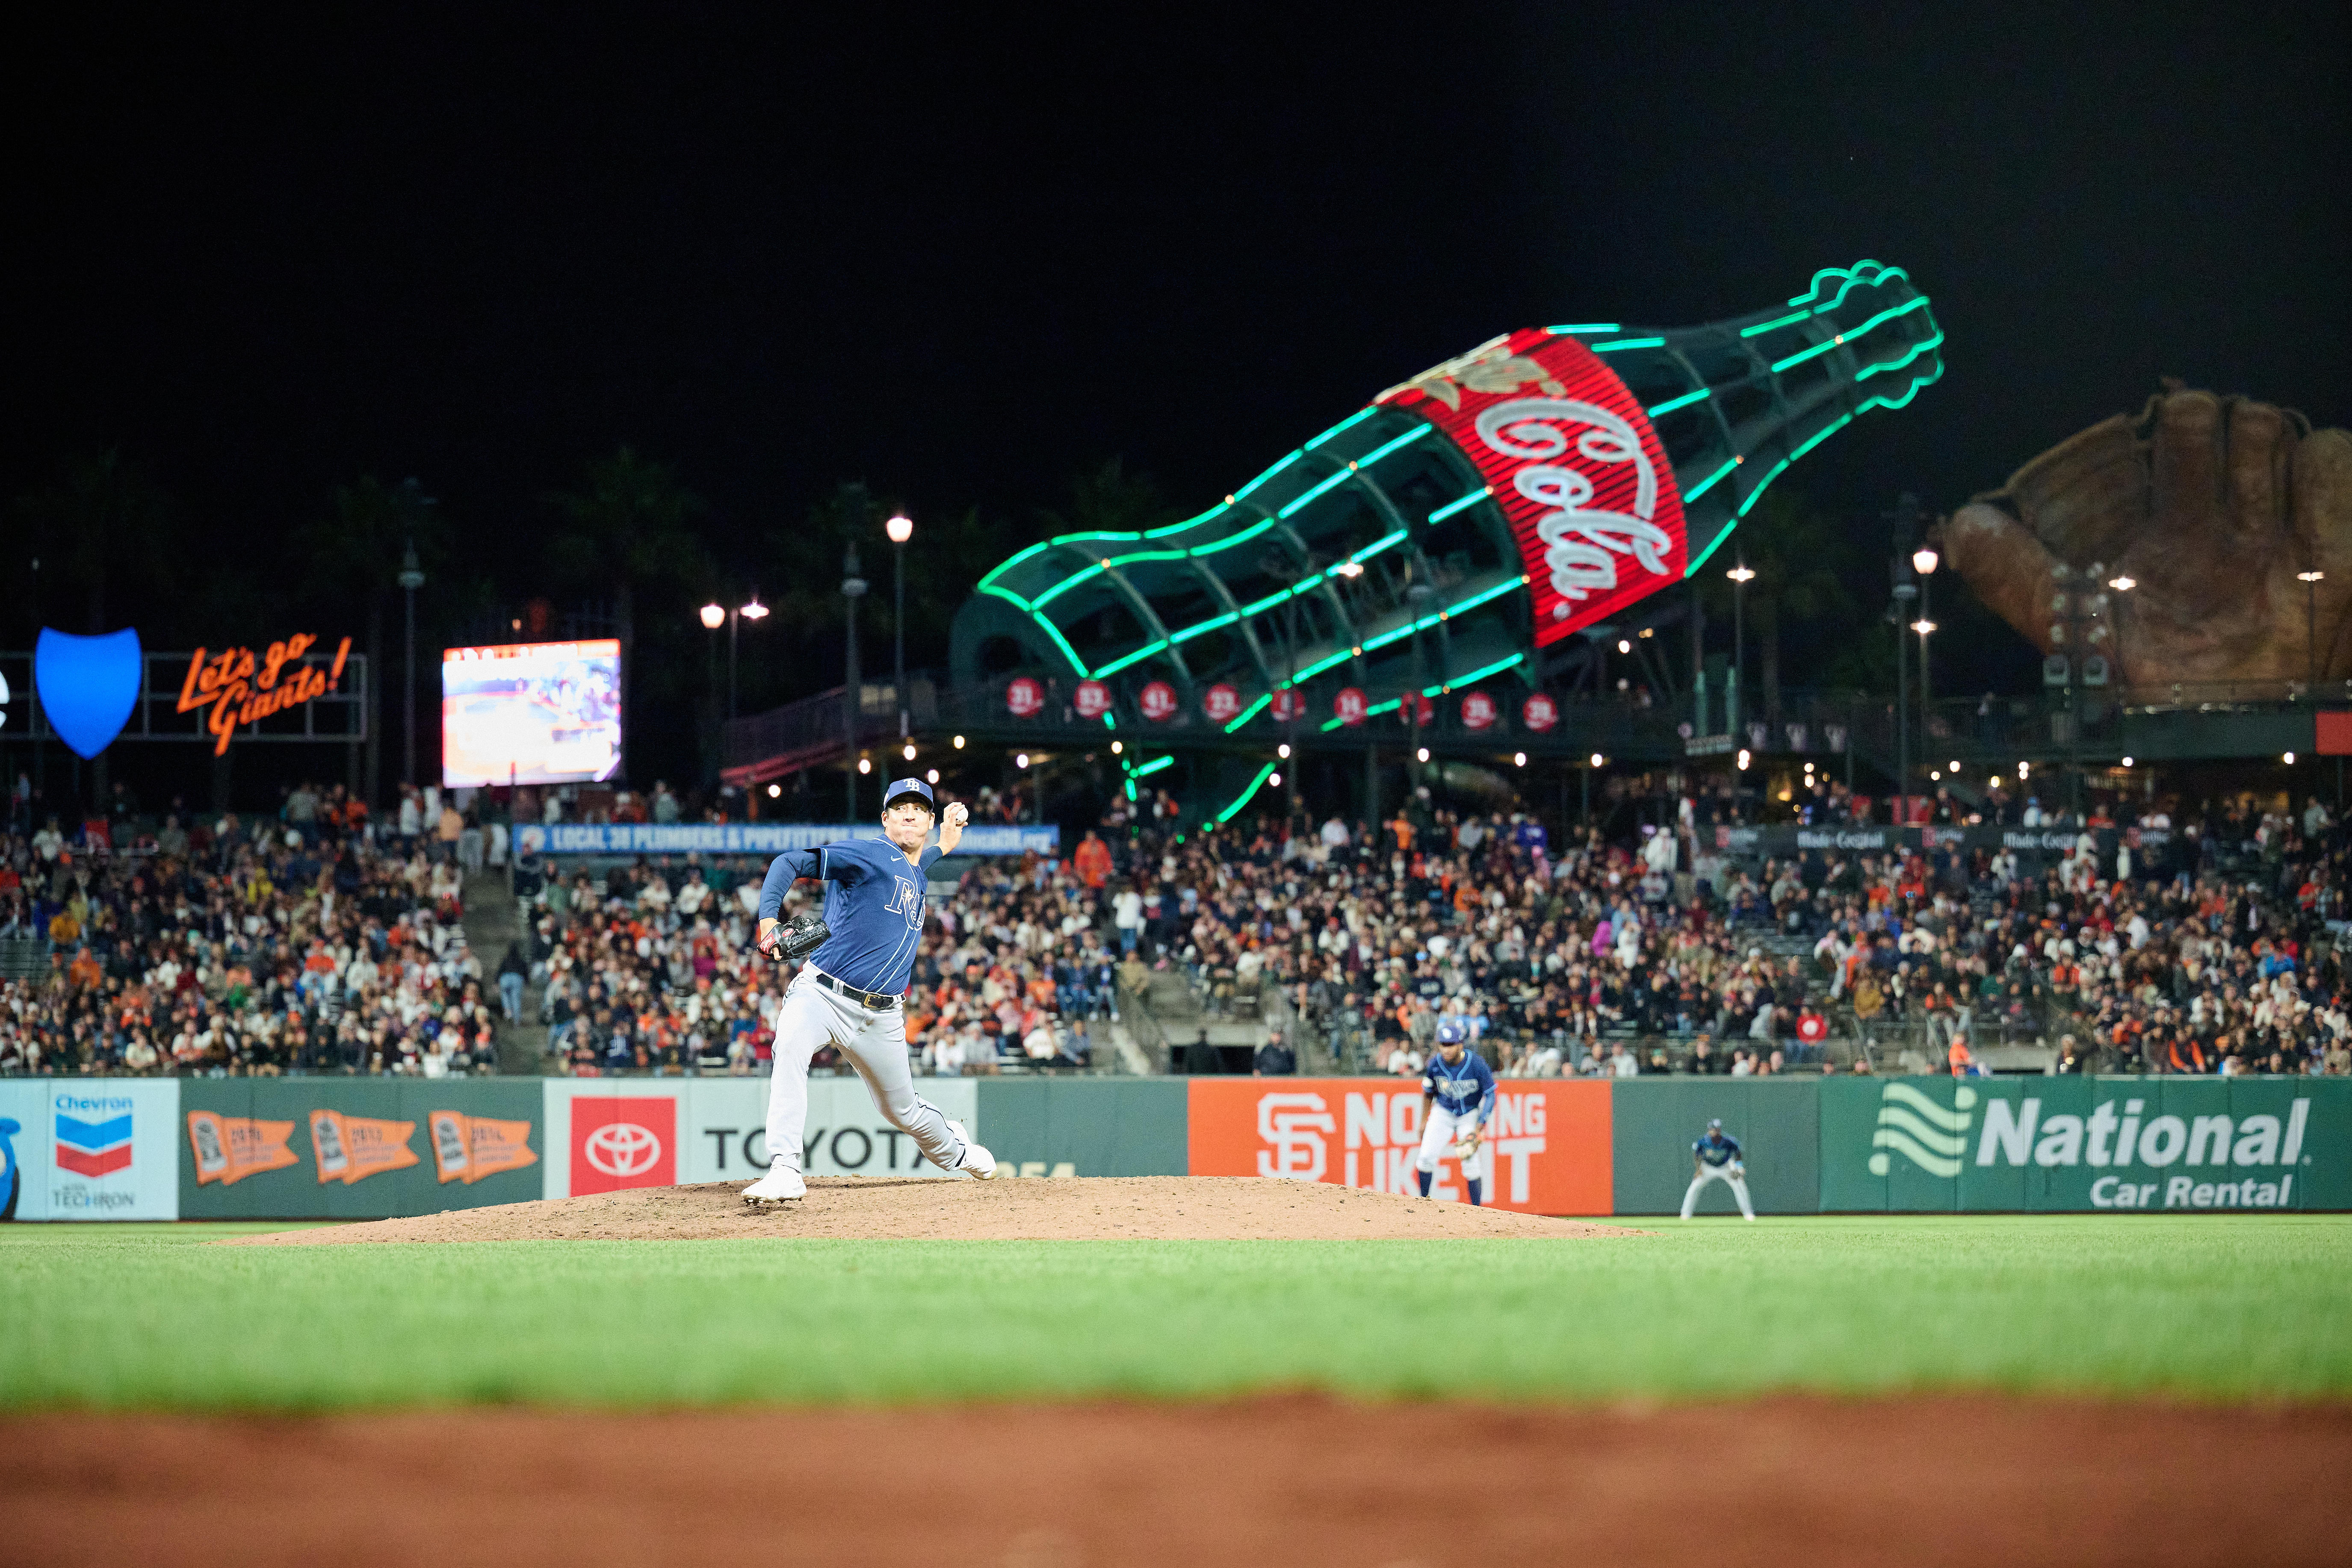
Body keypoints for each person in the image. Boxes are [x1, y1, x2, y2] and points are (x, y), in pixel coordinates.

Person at [741, 778, 997, 1204]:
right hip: (821, 994)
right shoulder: (869, 852)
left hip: (881, 1017)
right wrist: (769, 922)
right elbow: (788, 862)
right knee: (789, 1047)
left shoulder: (915, 866)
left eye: (918, 808)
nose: (909, 814)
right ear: (885, 819)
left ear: (930, 820)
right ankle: (785, 1168)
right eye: (899, 808)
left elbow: (920, 862)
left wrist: (945, 844)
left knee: (902, 1111)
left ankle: (958, 1152)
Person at [1414, 1016, 1495, 1205]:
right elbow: (1428, 1093)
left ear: (1461, 1044)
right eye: (1443, 1044)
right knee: (1425, 1158)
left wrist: (1480, 1127)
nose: (1446, 1049)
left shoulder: (1476, 1064)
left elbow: (1491, 1094)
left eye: (1451, 1044)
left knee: (1470, 1163)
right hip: (1443, 1112)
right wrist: (1424, 1121)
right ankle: (1422, 1206)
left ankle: (1478, 1211)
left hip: (1469, 1114)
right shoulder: (1435, 1064)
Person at [1681, 1117, 1756, 1221]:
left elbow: (1738, 1152)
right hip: (1707, 1167)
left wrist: (1739, 1166)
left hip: (1726, 1167)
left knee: (1740, 1186)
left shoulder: (1728, 1141)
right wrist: (1698, 1169)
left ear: (1719, 1130)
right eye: (1712, 1129)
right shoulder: (1703, 1141)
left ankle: (1748, 1214)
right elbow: (1697, 1155)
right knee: (1694, 1188)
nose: (1714, 1131)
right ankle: (1685, 1214)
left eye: (1716, 1129)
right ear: (1709, 1129)